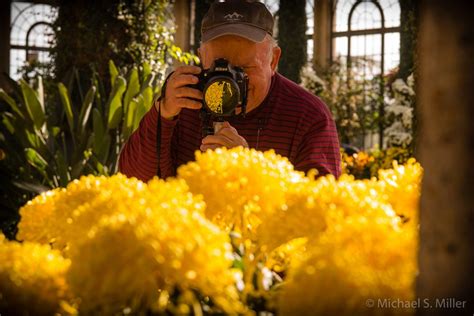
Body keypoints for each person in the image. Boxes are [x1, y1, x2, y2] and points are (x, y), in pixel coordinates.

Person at [119, 0, 341, 181]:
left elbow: (319, 211)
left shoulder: (308, 115)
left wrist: (249, 170)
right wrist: (163, 115)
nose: (229, 82)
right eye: (218, 67)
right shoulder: (185, 102)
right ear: (201, 58)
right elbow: (134, 182)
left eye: (244, 68)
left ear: (273, 60)